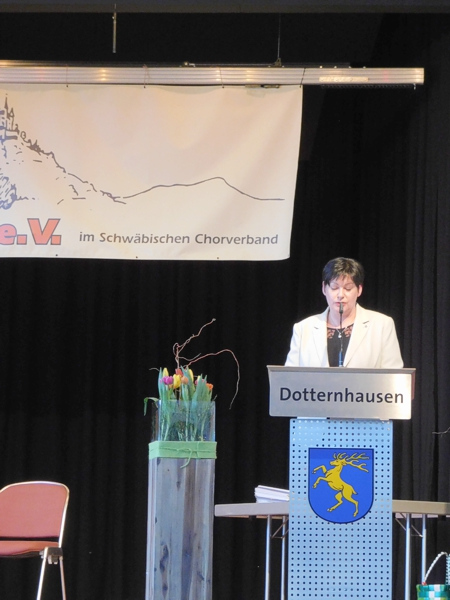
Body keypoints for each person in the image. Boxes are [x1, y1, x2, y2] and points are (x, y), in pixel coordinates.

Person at [285, 257, 403, 368]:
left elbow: (393, 375)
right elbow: (289, 377)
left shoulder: (382, 325)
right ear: (324, 288)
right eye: (334, 288)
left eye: (348, 288)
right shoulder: (303, 328)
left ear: (359, 290)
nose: (340, 295)